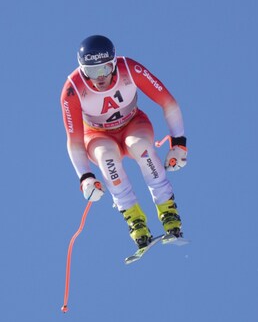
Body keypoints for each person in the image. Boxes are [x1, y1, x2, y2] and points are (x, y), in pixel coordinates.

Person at [60, 34, 188, 249]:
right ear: (82, 69)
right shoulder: (72, 89)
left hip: (133, 124)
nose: (100, 77)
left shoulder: (129, 69)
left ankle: (168, 211)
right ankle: (134, 220)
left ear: (114, 63)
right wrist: (85, 177)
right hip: (97, 135)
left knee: (140, 147)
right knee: (106, 156)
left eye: (106, 68)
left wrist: (179, 144)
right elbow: (73, 140)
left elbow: (168, 103)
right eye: (92, 71)